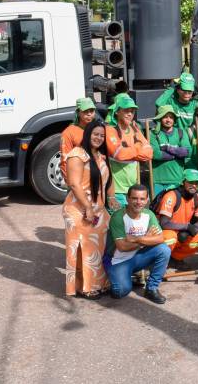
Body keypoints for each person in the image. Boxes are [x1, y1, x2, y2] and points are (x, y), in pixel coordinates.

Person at [62, 120, 116, 299]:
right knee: (83, 248)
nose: (99, 138)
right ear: (87, 134)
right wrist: (88, 208)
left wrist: (112, 198)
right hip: (79, 209)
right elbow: (74, 184)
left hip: (98, 210)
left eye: (102, 135)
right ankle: (85, 287)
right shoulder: (77, 154)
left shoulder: (100, 155)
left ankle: (100, 283)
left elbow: (108, 179)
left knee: (97, 249)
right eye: (95, 134)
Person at [104, 185, 169, 304]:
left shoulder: (149, 215)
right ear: (127, 199)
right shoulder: (118, 217)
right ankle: (124, 277)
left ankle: (151, 288)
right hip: (118, 261)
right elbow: (122, 247)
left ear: (147, 199)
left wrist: (137, 239)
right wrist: (146, 240)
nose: (138, 202)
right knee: (120, 292)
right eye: (134, 198)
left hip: (137, 257)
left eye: (142, 199)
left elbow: (160, 238)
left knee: (164, 250)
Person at [105, 94, 154, 208]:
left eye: (132, 111)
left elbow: (149, 153)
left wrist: (131, 152)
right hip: (116, 191)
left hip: (133, 190)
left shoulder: (134, 128)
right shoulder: (110, 130)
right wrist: (138, 148)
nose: (130, 114)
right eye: (126, 110)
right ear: (117, 112)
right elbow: (119, 154)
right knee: (118, 224)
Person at [156, 169, 198, 266]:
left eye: (197, 183)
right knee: (170, 237)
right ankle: (161, 262)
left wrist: (190, 230)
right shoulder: (171, 196)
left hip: (183, 232)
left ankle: (176, 258)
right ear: (183, 182)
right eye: (191, 182)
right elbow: (164, 223)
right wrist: (186, 227)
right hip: (168, 230)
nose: (194, 186)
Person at [149, 105, 192, 195]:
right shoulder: (153, 134)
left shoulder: (180, 132)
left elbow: (187, 152)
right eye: (165, 117)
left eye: (171, 117)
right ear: (159, 118)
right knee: (157, 207)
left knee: (175, 207)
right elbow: (155, 154)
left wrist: (168, 148)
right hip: (158, 179)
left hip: (177, 179)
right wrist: (177, 154)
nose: (168, 120)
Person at [60, 97, 96, 178]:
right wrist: (72, 183)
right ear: (78, 113)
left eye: (92, 111)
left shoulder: (98, 129)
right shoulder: (68, 133)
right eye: (85, 111)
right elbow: (64, 160)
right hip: (78, 178)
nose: (89, 114)